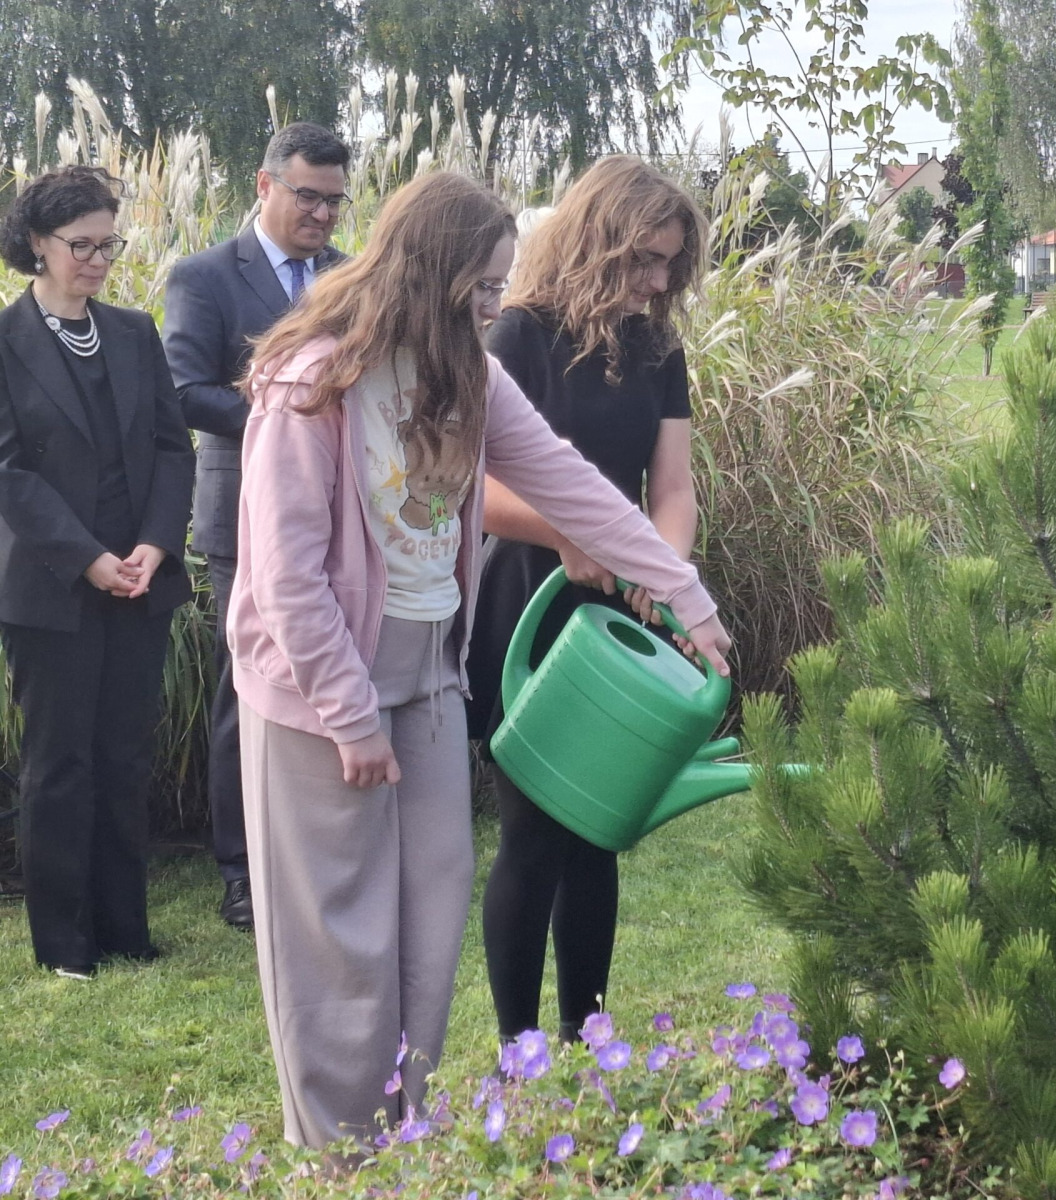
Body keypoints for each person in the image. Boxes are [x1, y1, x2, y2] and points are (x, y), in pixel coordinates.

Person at [232, 169, 731, 1150]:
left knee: (426, 930)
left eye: (501, 288)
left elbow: (572, 486)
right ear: (426, 275)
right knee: (339, 938)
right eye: (481, 289)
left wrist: (687, 598)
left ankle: (400, 1129)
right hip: (321, 688)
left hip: (427, 676)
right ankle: (337, 1155)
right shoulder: (314, 379)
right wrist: (348, 710)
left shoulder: (469, 368)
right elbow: (285, 575)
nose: (495, 308)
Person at [465, 156, 706, 1046]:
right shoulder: (517, 336)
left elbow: (672, 487)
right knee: (532, 834)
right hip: (531, 600)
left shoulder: (658, 347)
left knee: (598, 831)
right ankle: (518, 1050)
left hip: (620, 615)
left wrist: (660, 570)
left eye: (670, 267)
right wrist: (570, 535)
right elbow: (473, 486)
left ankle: (585, 1038)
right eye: (644, 260)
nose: (656, 283)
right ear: (599, 239)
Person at [0, 166, 195, 977]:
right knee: (60, 766)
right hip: (53, 585)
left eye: (108, 244)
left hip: (140, 581)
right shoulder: (4, 343)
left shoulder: (133, 330)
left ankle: (125, 931)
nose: (98, 260)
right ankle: (64, 944)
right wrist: (88, 559)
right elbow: (8, 472)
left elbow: (169, 446)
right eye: (81, 245)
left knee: (122, 757)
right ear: (37, 244)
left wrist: (154, 544)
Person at [163, 122, 351, 931]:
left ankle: (323, 855)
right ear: (264, 183)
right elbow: (181, 390)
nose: (322, 214)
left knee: (335, 679)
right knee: (250, 694)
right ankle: (243, 871)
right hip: (244, 516)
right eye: (308, 195)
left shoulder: (352, 277)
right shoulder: (204, 275)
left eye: (336, 201)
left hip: (348, 518)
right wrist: (291, 410)